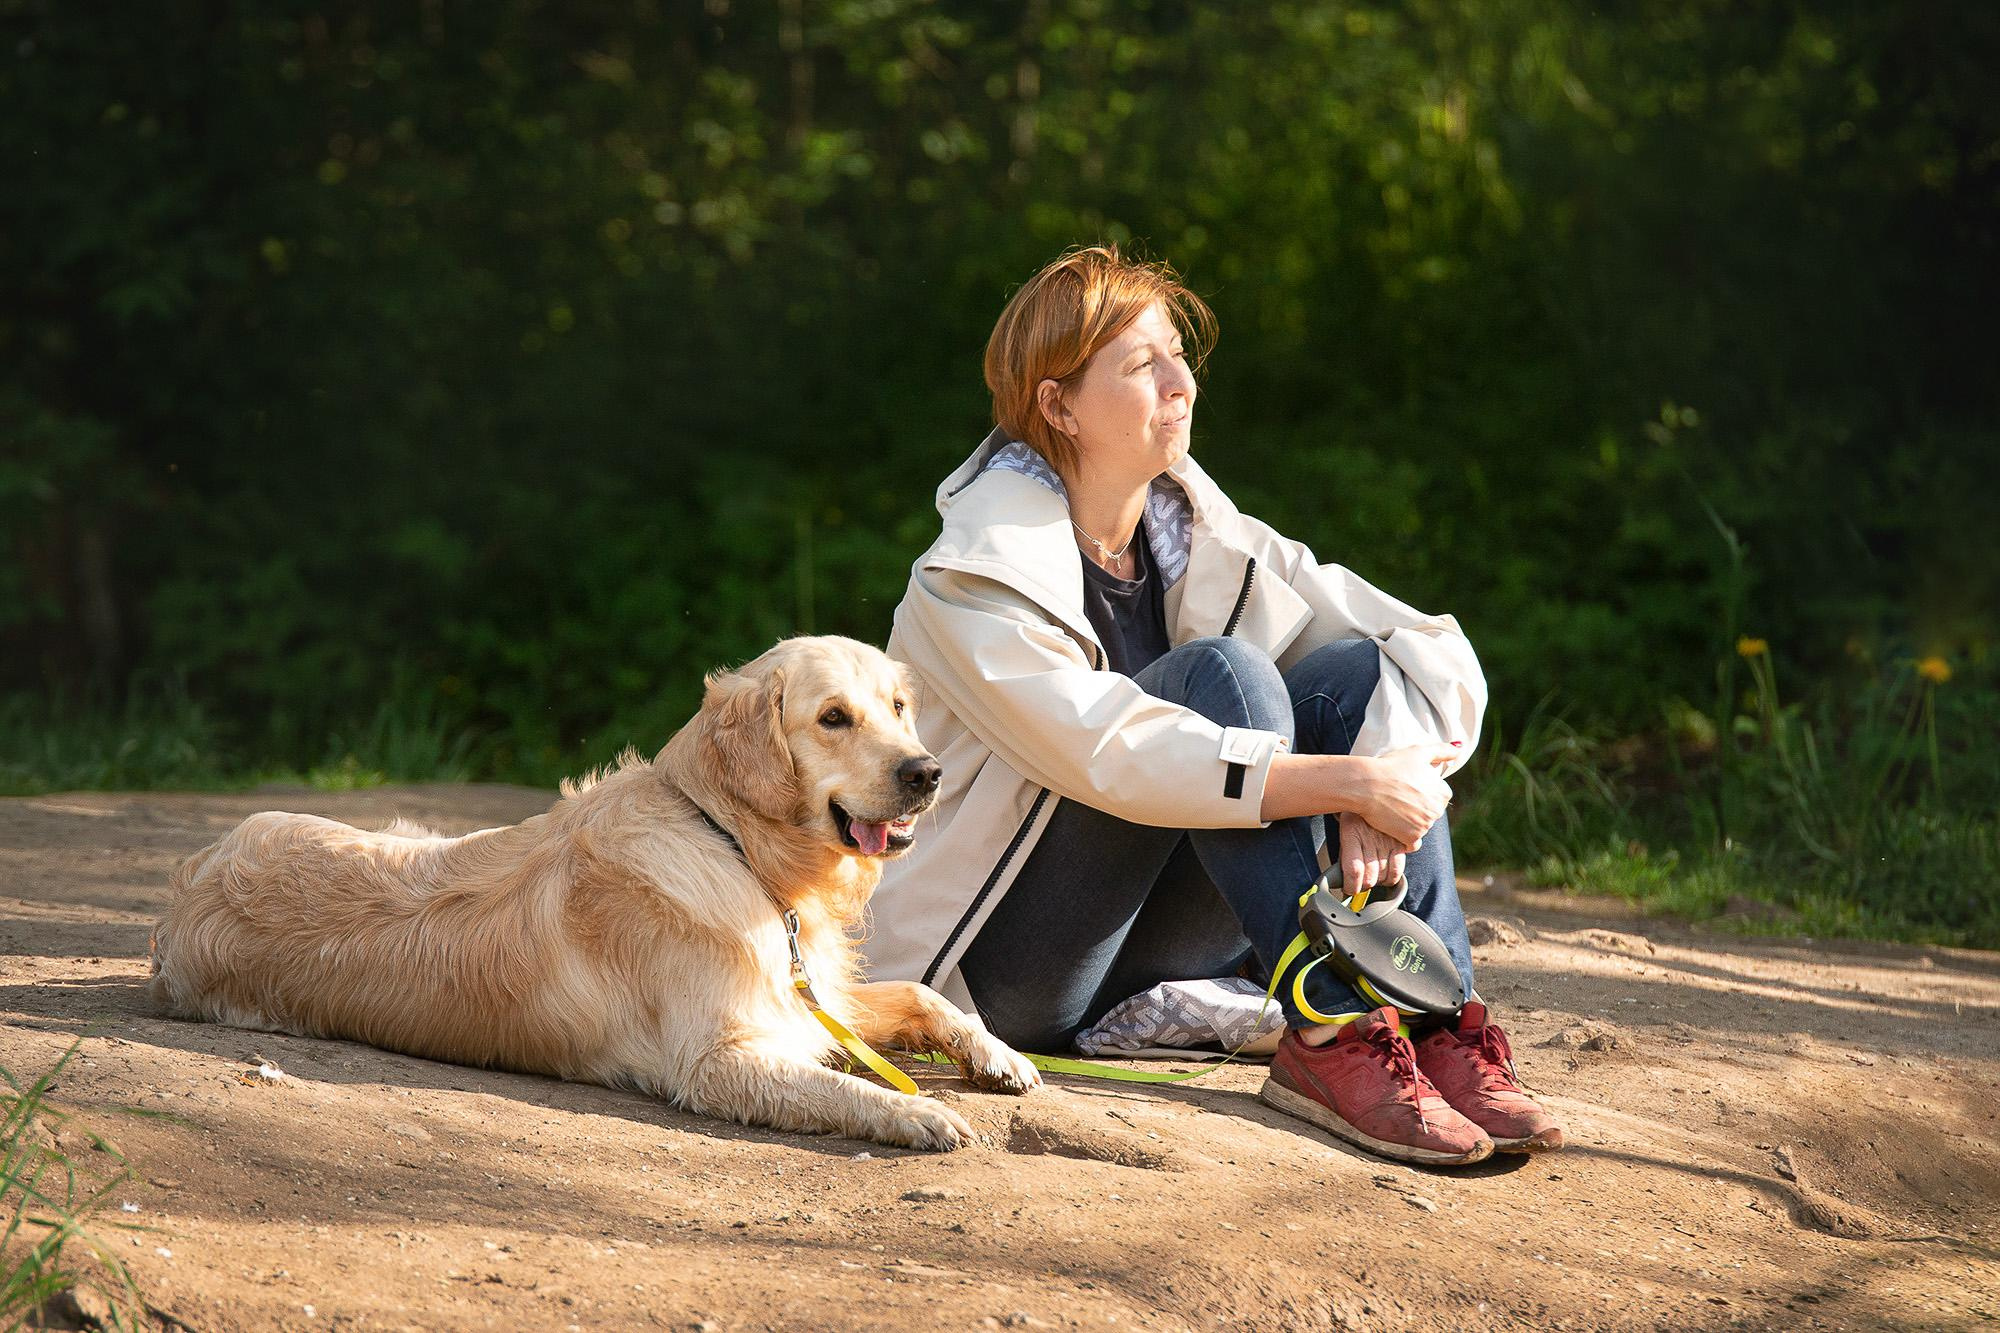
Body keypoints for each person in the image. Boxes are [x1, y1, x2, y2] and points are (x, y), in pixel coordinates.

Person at [862, 245, 1561, 1166]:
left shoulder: (1201, 537)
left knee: (1360, 675)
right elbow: (1109, 749)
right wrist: (1345, 780)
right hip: (1007, 968)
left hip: (1154, 944)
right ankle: (1328, 1029)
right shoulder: (969, 579)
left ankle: (1435, 1019)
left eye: (1178, 355)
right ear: (1058, 405)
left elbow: (1429, 649)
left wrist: (1379, 782)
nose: (1180, 381)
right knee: (1225, 678)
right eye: (1141, 363)